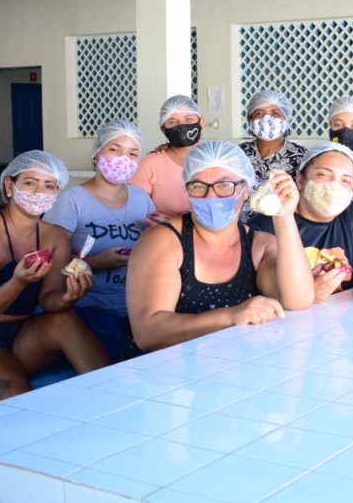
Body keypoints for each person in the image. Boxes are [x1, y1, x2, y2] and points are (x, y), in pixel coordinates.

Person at [0, 151, 110, 402]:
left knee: (66, 320)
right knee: (17, 395)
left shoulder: (54, 237)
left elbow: (49, 300)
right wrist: (18, 282)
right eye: (30, 183)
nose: (39, 192)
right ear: (9, 185)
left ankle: (112, 400)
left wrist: (69, 296)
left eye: (49, 186)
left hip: (21, 333)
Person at [124, 141, 314, 356]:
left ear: (245, 190)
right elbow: (148, 333)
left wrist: (284, 216)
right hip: (162, 380)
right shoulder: (163, 240)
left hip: (232, 375)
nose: (211, 196)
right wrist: (232, 316)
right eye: (198, 186)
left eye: (225, 185)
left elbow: (298, 300)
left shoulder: (258, 246)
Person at [46, 120, 155, 361]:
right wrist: (95, 262)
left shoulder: (141, 198)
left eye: (132, 153)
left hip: (138, 307)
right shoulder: (72, 201)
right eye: (114, 149)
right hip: (92, 309)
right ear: (97, 154)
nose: (122, 158)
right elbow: (51, 262)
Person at [248, 142, 353, 303]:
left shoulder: (350, 215)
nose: (334, 186)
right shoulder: (270, 224)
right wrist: (306, 294)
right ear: (300, 180)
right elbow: (269, 290)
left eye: (345, 181)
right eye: (323, 175)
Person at [129, 95, 204, 219]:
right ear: (163, 130)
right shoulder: (151, 164)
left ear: (201, 122)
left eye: (188, 118)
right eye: (172, 121)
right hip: (162, 234)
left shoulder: (215, 160)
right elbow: (133, 213)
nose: (181, 125)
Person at [239, 89, 307, 183]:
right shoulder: (238, 154)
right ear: (250, 119)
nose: (267, 119)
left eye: (275, 114)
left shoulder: (302, 157)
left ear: (286, 119)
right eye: (259, 113)